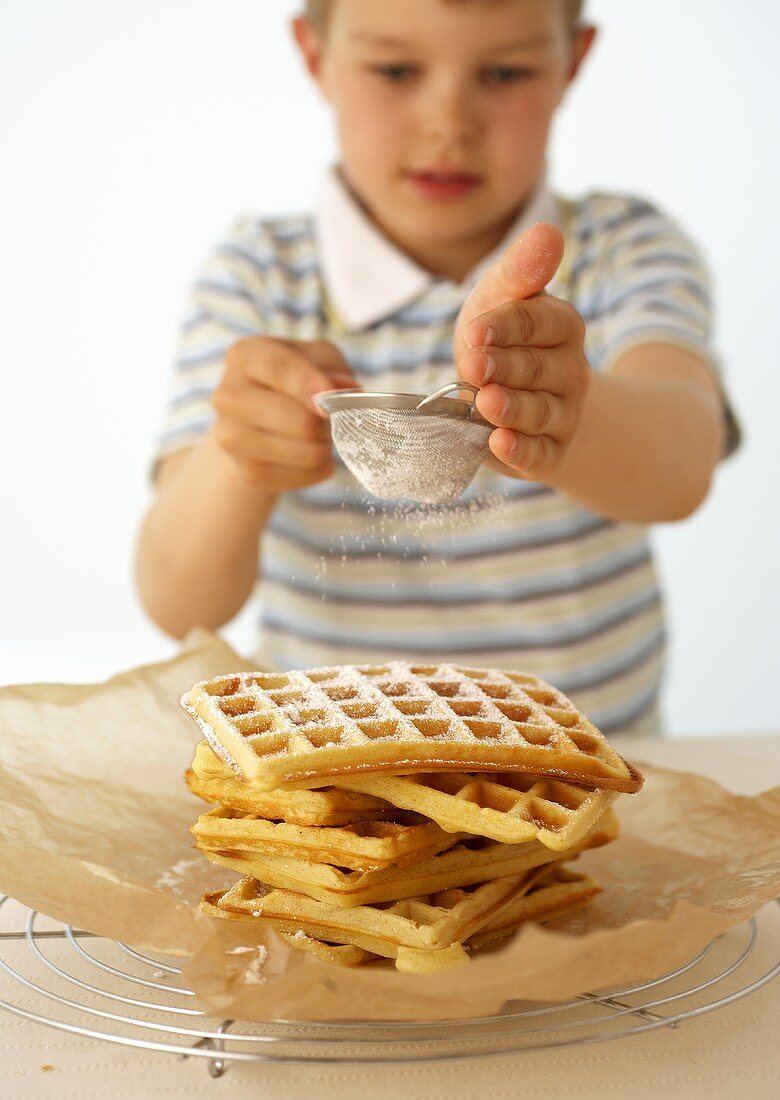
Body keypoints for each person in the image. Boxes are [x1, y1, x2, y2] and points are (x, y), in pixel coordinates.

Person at [135, 0, 739, 736]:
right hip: (334, 770)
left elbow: (681, 465)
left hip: (583, 771)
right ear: (315, 54)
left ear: (572, 64)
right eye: (395, 69)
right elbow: (176, 601)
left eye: (504, 72)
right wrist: (239, 460)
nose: (448, 122)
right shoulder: (260, 279)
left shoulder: (623, 250)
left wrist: (569, 413)